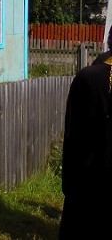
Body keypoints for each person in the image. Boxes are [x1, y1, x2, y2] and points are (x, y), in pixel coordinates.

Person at [58, 26, 112, 238]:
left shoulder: (86, 78)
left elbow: (72, 135)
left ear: (109, 40)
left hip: (88, 181)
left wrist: (69, 184)